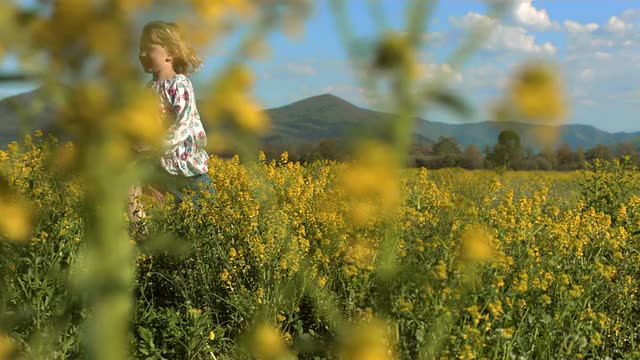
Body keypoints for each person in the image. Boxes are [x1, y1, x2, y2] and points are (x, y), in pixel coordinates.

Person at [128, 20, 215, 229]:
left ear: (170, 54)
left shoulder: (180, 84)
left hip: (188, 172)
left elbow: (183, 125)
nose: (141, 55)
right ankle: (142, 237)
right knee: (129, 186)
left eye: (148, 49)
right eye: (140, 50)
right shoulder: (149, 88)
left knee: (200, 228)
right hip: (162, 167)